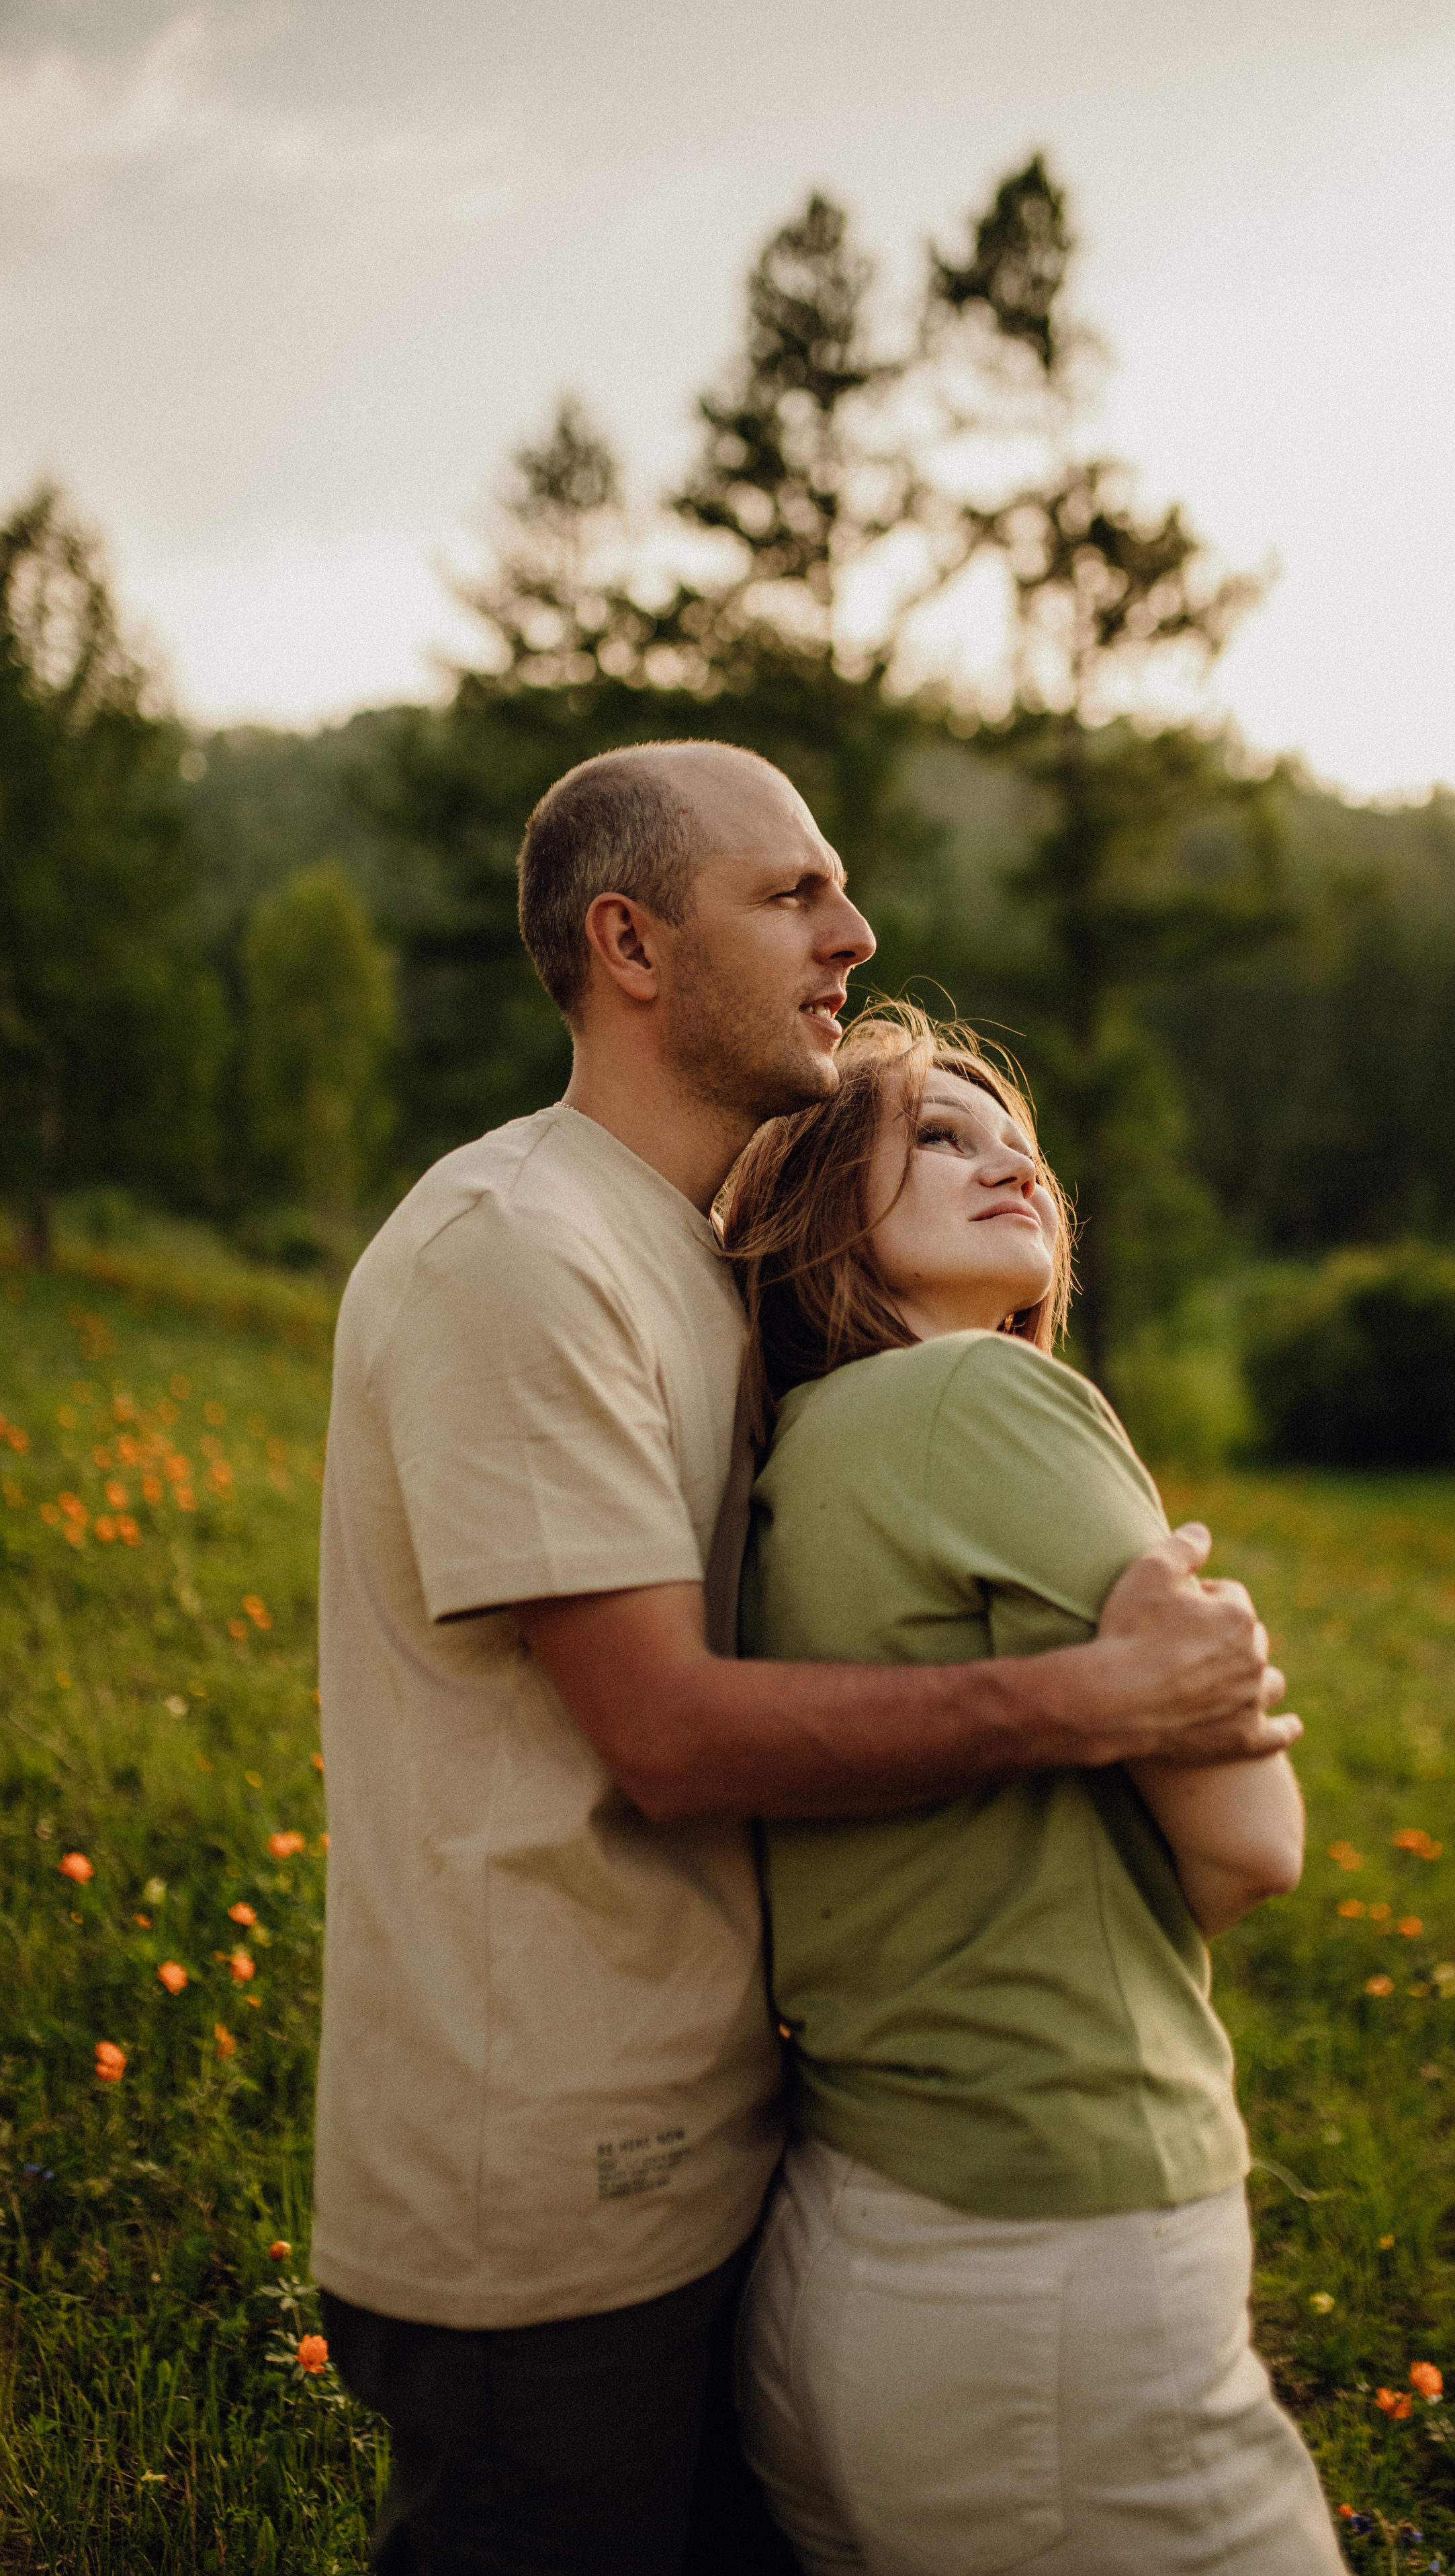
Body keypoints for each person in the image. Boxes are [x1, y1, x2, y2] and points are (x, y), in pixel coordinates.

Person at [312, 742, 1302, 2576]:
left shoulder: (688, 1263)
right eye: (791, 895)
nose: (852, 932)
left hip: (738, 2164)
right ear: (630, 941)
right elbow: (666, 1736)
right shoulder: (514, 1249)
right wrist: (1103, 1700)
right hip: (545, 2196)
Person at [723, 1006, 1345, 2576]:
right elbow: (1251, 1841)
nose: (1005, 1159)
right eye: (934, 1135)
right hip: (1050, 2266)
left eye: (1019, 1143)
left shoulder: (796, 1454)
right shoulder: (985, 1401)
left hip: (842, 2254)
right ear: (811, 1213)